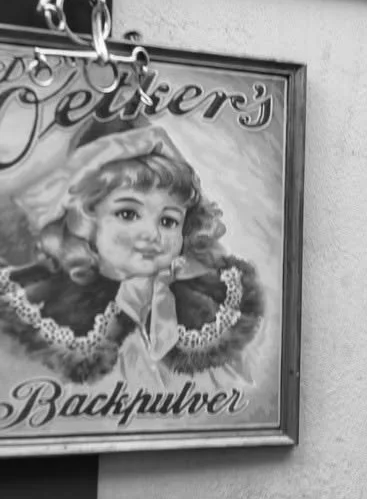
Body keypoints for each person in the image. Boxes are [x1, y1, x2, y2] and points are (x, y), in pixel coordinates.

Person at [0, 126, 262, 389]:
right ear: (84, 221)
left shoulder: (208, 303)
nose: (152, 233)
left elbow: (239, 392)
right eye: (127, 214)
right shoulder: (48, 311)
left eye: (168, 221)